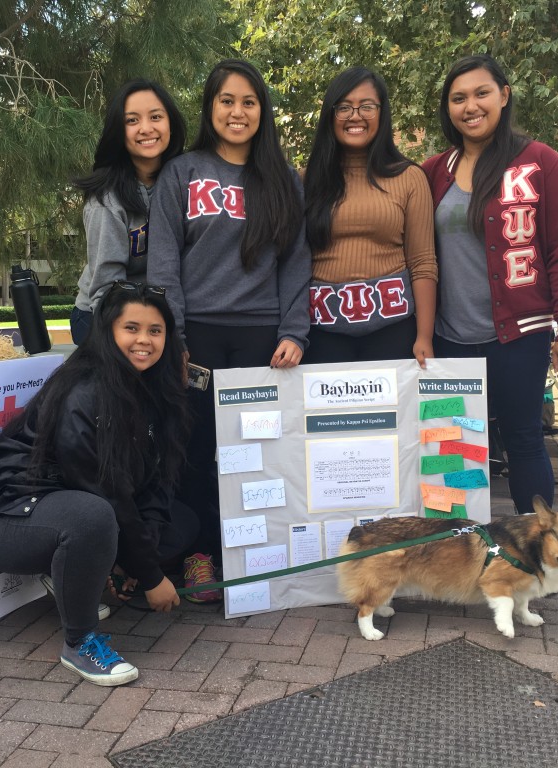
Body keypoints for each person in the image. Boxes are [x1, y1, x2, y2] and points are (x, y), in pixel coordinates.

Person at [0, 282, 196, 686]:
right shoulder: (85, 390)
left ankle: (73, 574)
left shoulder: (154, 389)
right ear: (108, 331)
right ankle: (79, 642)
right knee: (93, 518)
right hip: (12, 519)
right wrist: (150, 577)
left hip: (75, 506)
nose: (144, 340)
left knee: (180, 520)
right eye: (132, 328)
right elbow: (104, 491)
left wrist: (141, 560)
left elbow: (157, 483)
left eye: (156, 330)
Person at [147, 59, 311, 602]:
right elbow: (164, 261)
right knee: (194, 449)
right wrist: (174, 335)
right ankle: (200, 558)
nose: (237, 112)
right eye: (226, 100)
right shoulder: (183, 171)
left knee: (257, 452)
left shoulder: (284, 180)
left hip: (262, 338)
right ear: (210, 107)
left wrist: (295, 330)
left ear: (262, 111)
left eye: (248, 102)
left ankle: (253, 553)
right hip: (198, 339)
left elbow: (295, 262)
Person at [421, 54, 558, 515]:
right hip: (449, 338)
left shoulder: (540, 162)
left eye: (481, 93)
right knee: (452, 443)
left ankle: (534, 552)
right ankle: (459, 546)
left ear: (504, 96)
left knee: (523, 438)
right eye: (458, 98)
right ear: (448, 108)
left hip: (519, 334)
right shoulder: (433, 171)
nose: (470, 106)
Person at [302, 67, 437, 365]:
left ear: (382, 112)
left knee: (392, 414)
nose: (355, 116)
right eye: (344, 107)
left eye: (367, 106)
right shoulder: (303, 181)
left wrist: (424, 336)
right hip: (320, 333)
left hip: (393, 331)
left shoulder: (410, 177)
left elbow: (422, 263)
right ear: (330, 114)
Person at [71, 80, 187, 346]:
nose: (146, 128)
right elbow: (106, 287)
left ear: (171, 123)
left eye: (156, 117)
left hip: (161, 313)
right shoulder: (106, 199)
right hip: (103, 314)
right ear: (118, 131)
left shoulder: (185, 182)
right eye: (132, 120)